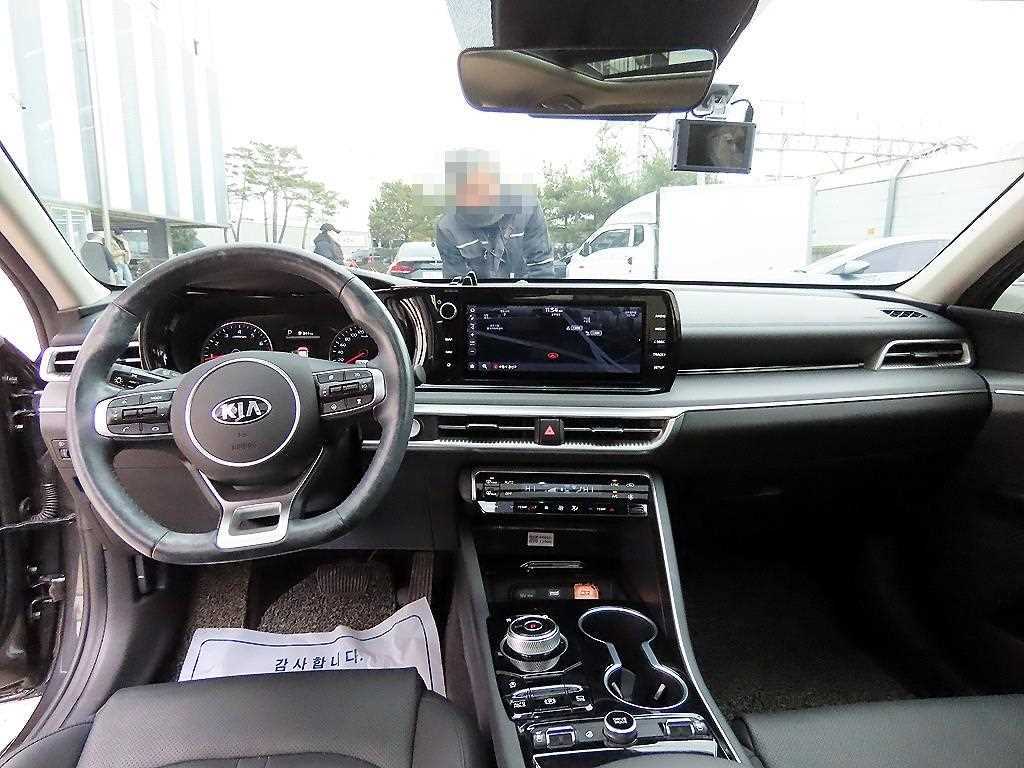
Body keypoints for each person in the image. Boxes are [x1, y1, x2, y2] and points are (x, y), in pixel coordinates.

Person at [436, 149, 554, 279]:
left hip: (525, 290)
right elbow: (455, 282)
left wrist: (523, 291)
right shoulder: (447, 228)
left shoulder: (527, 209)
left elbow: (542, 270)